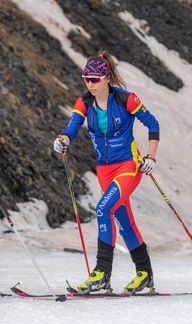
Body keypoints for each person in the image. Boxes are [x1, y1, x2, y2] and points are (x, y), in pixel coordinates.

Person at [54, 51, 160, 294]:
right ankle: (145, 274)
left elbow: (153, 124)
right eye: (86, 79)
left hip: (128, 166)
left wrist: (151, 156)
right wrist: (62, 141)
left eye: (94, 79)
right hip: (104, 169)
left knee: (103, 208)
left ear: (107, 78)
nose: (90, 84)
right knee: (123, 222)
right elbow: (71, 128)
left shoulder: (126, 99)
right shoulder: (84, 102)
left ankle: (101, 273)